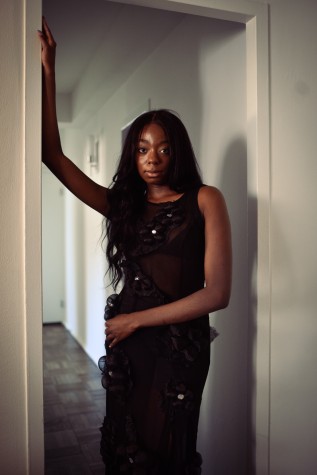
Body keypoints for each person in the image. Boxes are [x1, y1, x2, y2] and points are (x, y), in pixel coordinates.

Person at [38, 17, 232, 475]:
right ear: (132, 155)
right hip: (130, 345)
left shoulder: (205, 199)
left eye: (163, 149)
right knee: (127, 449)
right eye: (143, 149)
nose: (152, 159)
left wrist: (134, 321)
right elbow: (52, 156)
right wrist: (49, 73)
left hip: (178, 347)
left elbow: (216, 293)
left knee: (168, 453)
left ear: (177, 152)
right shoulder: (122, 206)